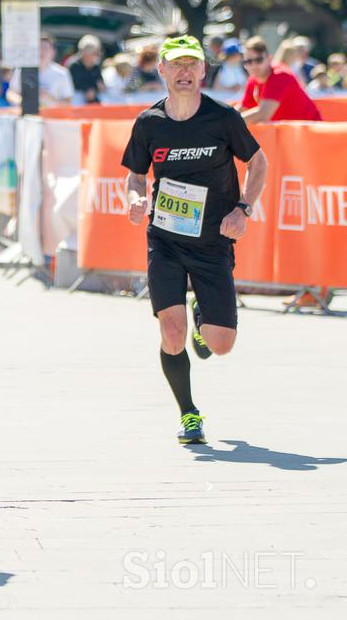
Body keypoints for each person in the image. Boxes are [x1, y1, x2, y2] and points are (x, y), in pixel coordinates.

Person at [122, 35, 268, 444]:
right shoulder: (149, 123)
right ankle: (189, 414)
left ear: (204, 71)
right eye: (177, 65)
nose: (185, 72)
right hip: (165, 239)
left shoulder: (223, 118)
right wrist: (135, 199)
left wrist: (243, 209)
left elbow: (259, 164)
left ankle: (203, 318)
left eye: (193, 65)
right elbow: (136, 174)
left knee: (221, 345)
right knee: (171, 333)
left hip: (212, 242)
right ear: (162, 70)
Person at [238, 36, 322, 124]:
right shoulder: (253, 80)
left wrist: (227, 123)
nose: (253, 65)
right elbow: (243, 108)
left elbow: (263, 114)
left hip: (310, 132)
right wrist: (224, 119)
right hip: (290, 134)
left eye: (259, 60)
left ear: (269, 59)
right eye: (248, 61)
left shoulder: (280, 75)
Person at [68, 34, 104, 104]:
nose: (97, 56)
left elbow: (101, 84)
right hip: (76, 103)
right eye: (95, 53)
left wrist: (97, 89)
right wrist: (86, 91)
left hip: (94, 103)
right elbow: (71, 86)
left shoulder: (96, 67)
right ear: (85, 53)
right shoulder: (73, 65)